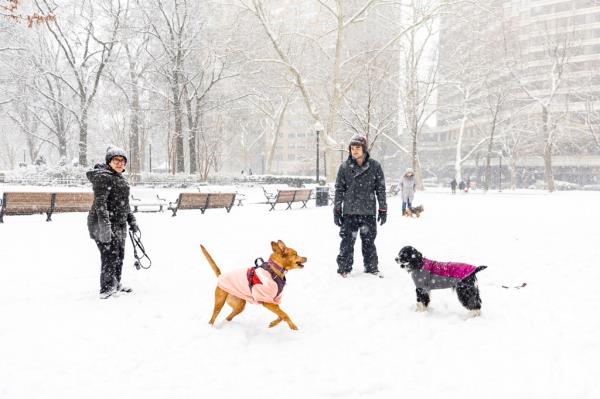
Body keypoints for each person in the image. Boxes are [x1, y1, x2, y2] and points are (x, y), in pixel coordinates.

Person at [87, 146, 139, 299]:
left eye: (123, 161)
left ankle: (116, 283)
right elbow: (100, 205)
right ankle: (107, 288)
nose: (120, 163)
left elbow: (125, 204)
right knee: (109, 256)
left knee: (119, 255)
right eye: (116, 160)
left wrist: (132, 220)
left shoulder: (120, 179)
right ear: (109, 161)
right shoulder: (103, 177)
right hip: (102, 224)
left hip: (119, 224)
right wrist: (105, 228)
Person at [333, 134, 387, 278]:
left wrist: (383, 208)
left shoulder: (375, 166)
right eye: (352, 148)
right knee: (347, 242)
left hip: (368, 211)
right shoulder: (344, 167)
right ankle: (344, 268)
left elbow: (380, 189)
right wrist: (337, 209)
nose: (355, 151)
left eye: (358, 148)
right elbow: (339, 189)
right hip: (350, 212)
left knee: (369, 241)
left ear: (364, 149)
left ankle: (371, 267)